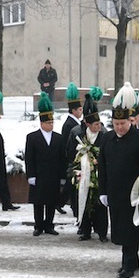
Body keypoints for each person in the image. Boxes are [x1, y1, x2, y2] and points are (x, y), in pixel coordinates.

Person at [99, 83, 139, 278]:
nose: (119, 128)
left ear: (130, 121)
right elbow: (102, 166)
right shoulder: (107, 139)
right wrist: (102, 191)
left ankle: (127, 265)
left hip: (134, 193)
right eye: (116, 124)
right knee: (120, 228)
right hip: (115, 192)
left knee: (131, 229)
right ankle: (132, 261)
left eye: (123, 124)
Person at [67, 87, 108, 242]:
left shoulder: (104, 135)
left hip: (98, 175)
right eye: (95, 124)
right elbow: (71, 154)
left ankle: (102, 231)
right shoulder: (77, 134)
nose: (98, 126)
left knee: (99, 205)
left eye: (99, 123)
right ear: (86, 123)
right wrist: (75, 171)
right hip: (83, 174)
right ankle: (85, 230)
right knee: (83, 199)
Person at [25, 93, 67, 236]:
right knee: (38, 202)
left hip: (53, 175)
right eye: (48, 123)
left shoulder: (58, 138)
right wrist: (30, 175)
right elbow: (29, 158)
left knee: (51, 202)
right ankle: (38, 226)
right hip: (39, 175)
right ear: (42, 123)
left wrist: (62, 176)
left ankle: (49, 225)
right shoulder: (32, 137)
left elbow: (63, 158)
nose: (51, 125)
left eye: (52, 122)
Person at [60, 83, 84, 215]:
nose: (81, 112)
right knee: (71, 184)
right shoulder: (70, 124)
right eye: (79, 110)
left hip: (75, 159)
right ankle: (68, 205)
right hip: (72, 158)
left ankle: (61, 202)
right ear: (74, 110)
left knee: (70, 184)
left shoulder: (73, 122)